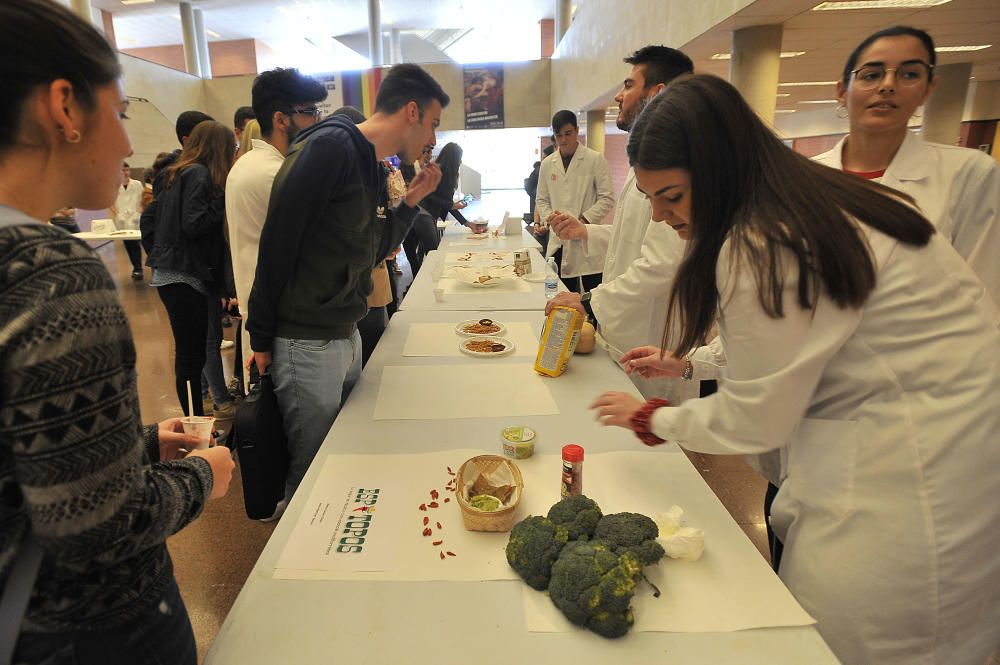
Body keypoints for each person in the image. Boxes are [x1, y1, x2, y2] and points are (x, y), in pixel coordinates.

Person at [590, 74, 1000, 665]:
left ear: (721, 168)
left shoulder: (762, 239)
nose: (658, 216)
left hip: (910, 496)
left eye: (672, 197)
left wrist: (653, 417)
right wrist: (690, 362)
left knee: (845, 646)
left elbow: (758, 418)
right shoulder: (812, 200)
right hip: (947, 468)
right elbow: (810, 341)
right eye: (651, 197)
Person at [0, 2, 234, 664]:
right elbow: (99, 531)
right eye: (122, 112)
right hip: (92, 628)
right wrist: (200, 475)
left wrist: (134, 441)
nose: (131, 145)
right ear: (65, 108)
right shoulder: (52, 273)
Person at [248, 63, 447, 501]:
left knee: (342, 455)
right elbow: (277, 245)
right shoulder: (330, 148)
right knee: (311, 471)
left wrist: (411, 202)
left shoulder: (372, 165)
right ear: (411, 112)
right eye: (432, 124)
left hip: (344, 332)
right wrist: (260, 337)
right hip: (306, 339)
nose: (433, 138)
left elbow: (372, 251)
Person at [545, 45, 693, 401]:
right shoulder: (644, 159)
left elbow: (660, 263)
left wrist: (590, 300)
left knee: (652, 436)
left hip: (652, 333)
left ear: (657, 94)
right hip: (627, 328)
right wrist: (586, 231)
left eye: (629, 85)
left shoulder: (677, 165)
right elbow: (633, 237)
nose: (618, 95)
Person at [816, 25, 999, 306]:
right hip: (821, 342)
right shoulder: (808, 176)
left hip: (929, 344)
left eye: (909, 74)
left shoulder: (967, 172)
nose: (888, 85)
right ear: (842, 91)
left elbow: (985, 289)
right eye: (871, 75)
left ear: (928, 89)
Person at [226, 68, 326, 392]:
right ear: (282, 119)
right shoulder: (274, 173)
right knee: (298, 435)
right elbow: (318, 244)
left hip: (266, 319)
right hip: (279, 326)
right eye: (310, 112)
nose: (317, 121)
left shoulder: (249, 164)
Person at [141, 120, 237, 418]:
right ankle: (195, 424)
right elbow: (193, 224)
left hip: (174, 273)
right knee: (190, 356)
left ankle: (196, 419)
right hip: (183, 275)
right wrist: (223, 200)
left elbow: (153, 220)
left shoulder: (177, 173)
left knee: (191, 354)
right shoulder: (198, 174)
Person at [535, 109, 615, 293]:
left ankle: (593, 323)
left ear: (577, 130)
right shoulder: (548, 164)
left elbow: (607, 197)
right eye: (558, 135)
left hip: (588, 236)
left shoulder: (595, 159)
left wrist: (582, 222)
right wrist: (553, 221)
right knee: (563, 297)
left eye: (568, 133)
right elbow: (542, 199)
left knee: (593, 297)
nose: (563, 139)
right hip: (560, 238)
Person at [111, 160, 145, 279]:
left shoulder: (137, 184)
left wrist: (138, 213)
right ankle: (137, 268)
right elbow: (111, 202)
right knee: (130, 245)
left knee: (139, 244)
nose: (125, 172)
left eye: (127, 170)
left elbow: (143, 200)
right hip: (122, 220)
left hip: (136, 218)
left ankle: (141, 268)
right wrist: (117, 214)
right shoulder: (114, 185)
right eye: (123, 170)